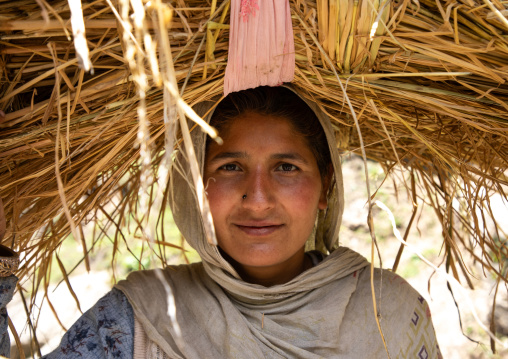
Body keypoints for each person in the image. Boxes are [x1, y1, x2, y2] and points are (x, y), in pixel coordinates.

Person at [0, 86, 441, 358]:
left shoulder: (390, 314)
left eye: (286, 167)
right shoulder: (138, 320)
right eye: (230, 167)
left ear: (325, 187)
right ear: (195, 187)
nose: (258, 196)